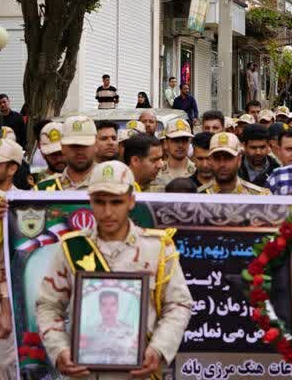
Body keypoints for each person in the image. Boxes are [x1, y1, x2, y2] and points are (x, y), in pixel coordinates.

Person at [36, 161, 193, 377]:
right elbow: (48, 305)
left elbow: (178, 304)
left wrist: (158, 349)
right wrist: (59, 350)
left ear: (131, 201)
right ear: (90, 201)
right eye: (99, 202)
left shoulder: (157, 248)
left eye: (116, 202)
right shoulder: (71, 247)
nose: (107, 212)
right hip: (85, 372)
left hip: (139, 371)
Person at [0, 134, 23, 373]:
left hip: (7, 299)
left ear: (12, 168)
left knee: (4, 366)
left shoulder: (24, 205)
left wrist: (6, 306)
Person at [35, 116, 97, 191]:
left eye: (85, 145)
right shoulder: (42, 189)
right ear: (63, 147)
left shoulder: (109, 182)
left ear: (96, 145)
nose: (79, 151)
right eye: (73, 146)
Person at [199, 132, 270, 195]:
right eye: (216, 158)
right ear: (210, 160)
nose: (222, 164)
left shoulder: (258, 196)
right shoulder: (198, 196)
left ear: (239, 159)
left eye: (228, 157)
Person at [150, 118, 196, 191]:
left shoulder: (197, 171)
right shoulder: (155, 172)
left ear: (190, 141)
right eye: (175, 140)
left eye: (184, 140)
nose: (180, 145)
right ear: (166, 142)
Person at [238, 123, 278, 187]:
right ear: (244, 146)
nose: (258, 152)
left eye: (262, 147)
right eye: (253, 148)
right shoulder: (235, 169)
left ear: (268, 145)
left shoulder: (277, 169)